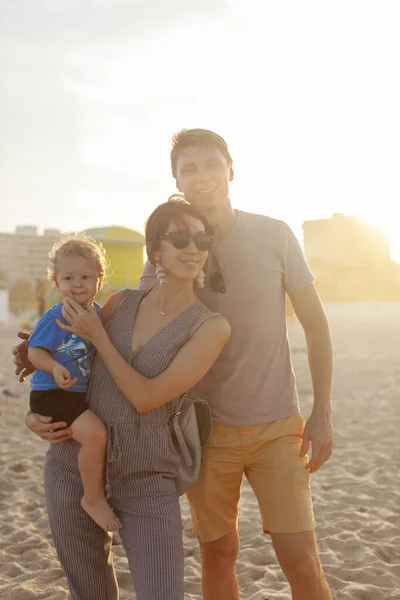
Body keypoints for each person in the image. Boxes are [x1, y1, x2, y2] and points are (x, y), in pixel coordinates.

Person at [14, 128, 333, 600]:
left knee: (300, 558)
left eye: (210, 164)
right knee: (218, 556)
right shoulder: (157, 264)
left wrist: (322, 410)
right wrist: (39, 386)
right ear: (176, 180)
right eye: (189, 168)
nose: (202, 176)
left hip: (275, 423)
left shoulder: (273, 235)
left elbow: (316, 324)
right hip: (200, 435)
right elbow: (107, 333)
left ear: (231, 169)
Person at [14, 200, 231, 600]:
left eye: (202, 239)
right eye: (179, 237)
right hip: (71, 467)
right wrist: (35, 413)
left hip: (147, 477)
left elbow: (147, 398)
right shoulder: (118, 304)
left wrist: (100, 338)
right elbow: (69, 363)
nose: (192, 248)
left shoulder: (210, 327)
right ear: (156, 250)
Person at [27, 236, 122, 533]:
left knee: (95, 434)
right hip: (50, 393)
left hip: (77, 395)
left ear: (100, 279)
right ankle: (92, 498)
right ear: (56, 282)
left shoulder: (98, 315)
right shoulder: (56, 316)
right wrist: (54, 366)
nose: (77, 284)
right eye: (69, 278)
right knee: (95, 435)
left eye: (85, 277)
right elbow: (34, 351)